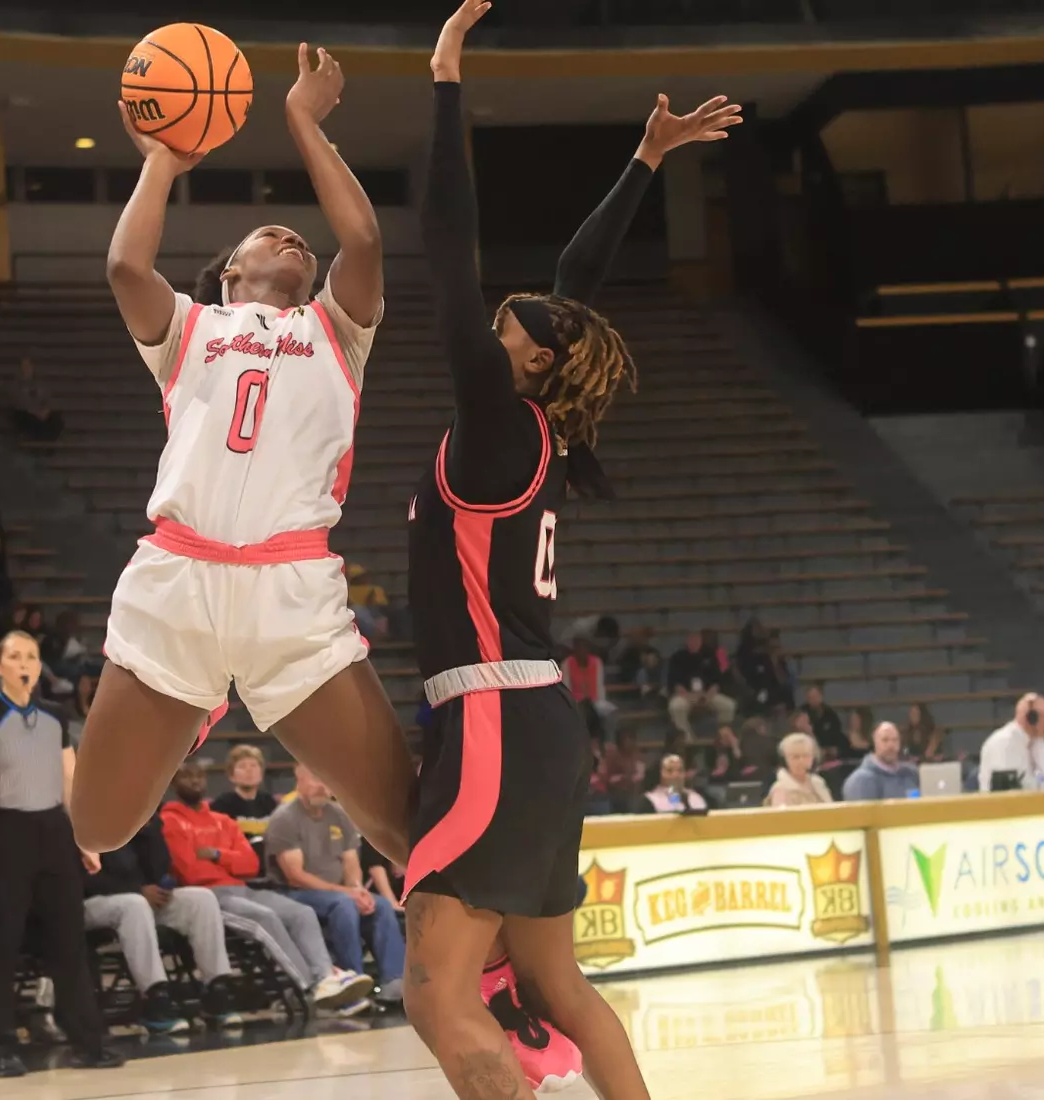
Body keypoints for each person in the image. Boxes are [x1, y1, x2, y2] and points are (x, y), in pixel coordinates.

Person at [404, 7, 737, 1097]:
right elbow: (571, 288)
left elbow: (447, 249)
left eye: (508, 329)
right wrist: (642, 159)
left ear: (535, 364)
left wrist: (446, 85)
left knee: (436, 990)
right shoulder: (541, 426)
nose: (489, 329)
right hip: (538, 723)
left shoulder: (499, 422)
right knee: (559, 986)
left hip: (494, 717)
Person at [71, 33, 419, 879]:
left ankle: (489, 971)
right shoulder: (189, 329)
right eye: (270, 235)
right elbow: (125, 263)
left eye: (300, 241)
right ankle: (193, 701)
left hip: (288, 596)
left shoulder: (334, 331)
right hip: (177, 582)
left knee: (406, 826)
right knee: (99, 823)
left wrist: (304, 120)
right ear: (229, 272)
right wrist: (160, 159)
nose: (291, 239)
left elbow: (363, 243)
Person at [0, 631, 123, 1077]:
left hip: (54, 832)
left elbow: (70, 780)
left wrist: (85, 838)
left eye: (30, 655)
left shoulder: (55, 715)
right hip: (7, 832)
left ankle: (88, 1040)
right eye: (14, 655)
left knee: (70, 942)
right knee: (2, 944)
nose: (23, 662)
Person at [161, 760, 373, 1012]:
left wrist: (217, 854)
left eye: (199, 776)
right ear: (173, 784)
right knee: (265, 917)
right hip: (207, 897)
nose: (195, 782)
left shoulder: (223, 821)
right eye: (187, 777)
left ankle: (326, 979)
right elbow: (191, 871)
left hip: (243, 888)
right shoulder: (169, 821)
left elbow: (250, 864)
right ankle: (315, 986)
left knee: (301, 913)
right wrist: (230, 860)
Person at [82, 809, 240, 1031]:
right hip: (87, 903)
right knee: (133, 905)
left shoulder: (139, 814)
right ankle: (155, 996)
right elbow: (81, 877)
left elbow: (159, 869)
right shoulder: (81, 814)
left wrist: (149, 832)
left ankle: (217, 989)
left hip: (139, 898)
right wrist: (137, 890)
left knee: (201, 899)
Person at [266, 765, 406, 1005]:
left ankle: (395, 981)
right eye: (315, 779)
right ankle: (353, 981)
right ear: (299, 779)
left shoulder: (340, 814)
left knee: (380, 905)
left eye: (326, 779)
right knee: (344, 905)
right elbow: (295, 876)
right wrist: (347, 893)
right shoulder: (285, 818)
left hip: (337, 893)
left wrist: (358, 889)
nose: (321, 785)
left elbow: (351, 862)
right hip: (295, 894)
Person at [665, 629, 735, 750]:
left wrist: (708, 696)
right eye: (691, 639)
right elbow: (675, 684)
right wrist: (689, 697)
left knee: (729, 705)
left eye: (697, 639)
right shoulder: (677, 657)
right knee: (676, 706)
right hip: (685, 695)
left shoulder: (713, 655)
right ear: (687, 641)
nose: (694, 642)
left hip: (707, 695)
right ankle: (687, 739)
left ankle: (723, 736)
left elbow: (716, 682)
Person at [978, 693, 1044, 792]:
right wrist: (1040, 781)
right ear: (1031, 718)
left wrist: (1040, 777)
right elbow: (1009, 790)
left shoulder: (1037, 742)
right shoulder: (1004, 743)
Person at [210, 744, 280, 840]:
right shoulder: (221, 805)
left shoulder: (270, 802)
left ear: (261, 773)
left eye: (253, 765)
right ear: (231, 775)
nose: (249, 770)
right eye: (242, 766)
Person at [841, 722, 920, 802]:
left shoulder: (910, 774)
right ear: (875, 743)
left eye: (895, 740)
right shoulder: (860, 781)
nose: (891, 745)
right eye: (885, 740)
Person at [562, 635, 616, 742]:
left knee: (612, 714)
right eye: (578, 647)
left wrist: (598, 702)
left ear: (589, 648)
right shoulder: (567, 663)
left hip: (595, 702)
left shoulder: (597, 662)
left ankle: (609, 743)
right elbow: (566, 689)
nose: (581, 650)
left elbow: (600, 687)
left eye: (584, 647)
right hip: (576, 703)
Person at [766, 733, 834, 807]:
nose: (801, 761)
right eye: (795, 757)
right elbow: (780, 817)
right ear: (785, 759)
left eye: (806, 755)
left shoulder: (819, 783)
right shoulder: (780, 789)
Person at [10, 358, 66, 443]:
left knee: (56, 420)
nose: (27, 369)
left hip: (40, 411)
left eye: (28, 366)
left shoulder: (40, 383)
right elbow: (17, 401)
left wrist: (46, 410)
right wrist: (33, 411)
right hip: (25, 413)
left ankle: (49, 441)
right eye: (24, 367)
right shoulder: (15, 384)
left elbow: (47, 397)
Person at [801, 685, 848, 762]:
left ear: (821, 696)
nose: (814, 700)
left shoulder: (830, 714)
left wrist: (833, 749)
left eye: (816, 696)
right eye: (811, 697)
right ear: (807, 698)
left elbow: (837, 732)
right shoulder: (802, 713)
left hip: (828, 751)